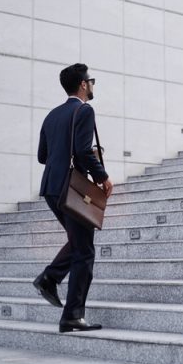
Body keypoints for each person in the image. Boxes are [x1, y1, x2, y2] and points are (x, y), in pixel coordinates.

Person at [34, 63, 113, 332]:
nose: (92, 85)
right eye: (91, 81)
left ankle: (50, 277)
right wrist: (102, 176)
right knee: (85, 251)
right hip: (72, 188)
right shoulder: (84, 110)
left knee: (79, 241)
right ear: (82, 84)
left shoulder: (52, 115)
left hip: (51, 188)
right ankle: (72, 314)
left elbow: (42, 157)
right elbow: (81, 152)